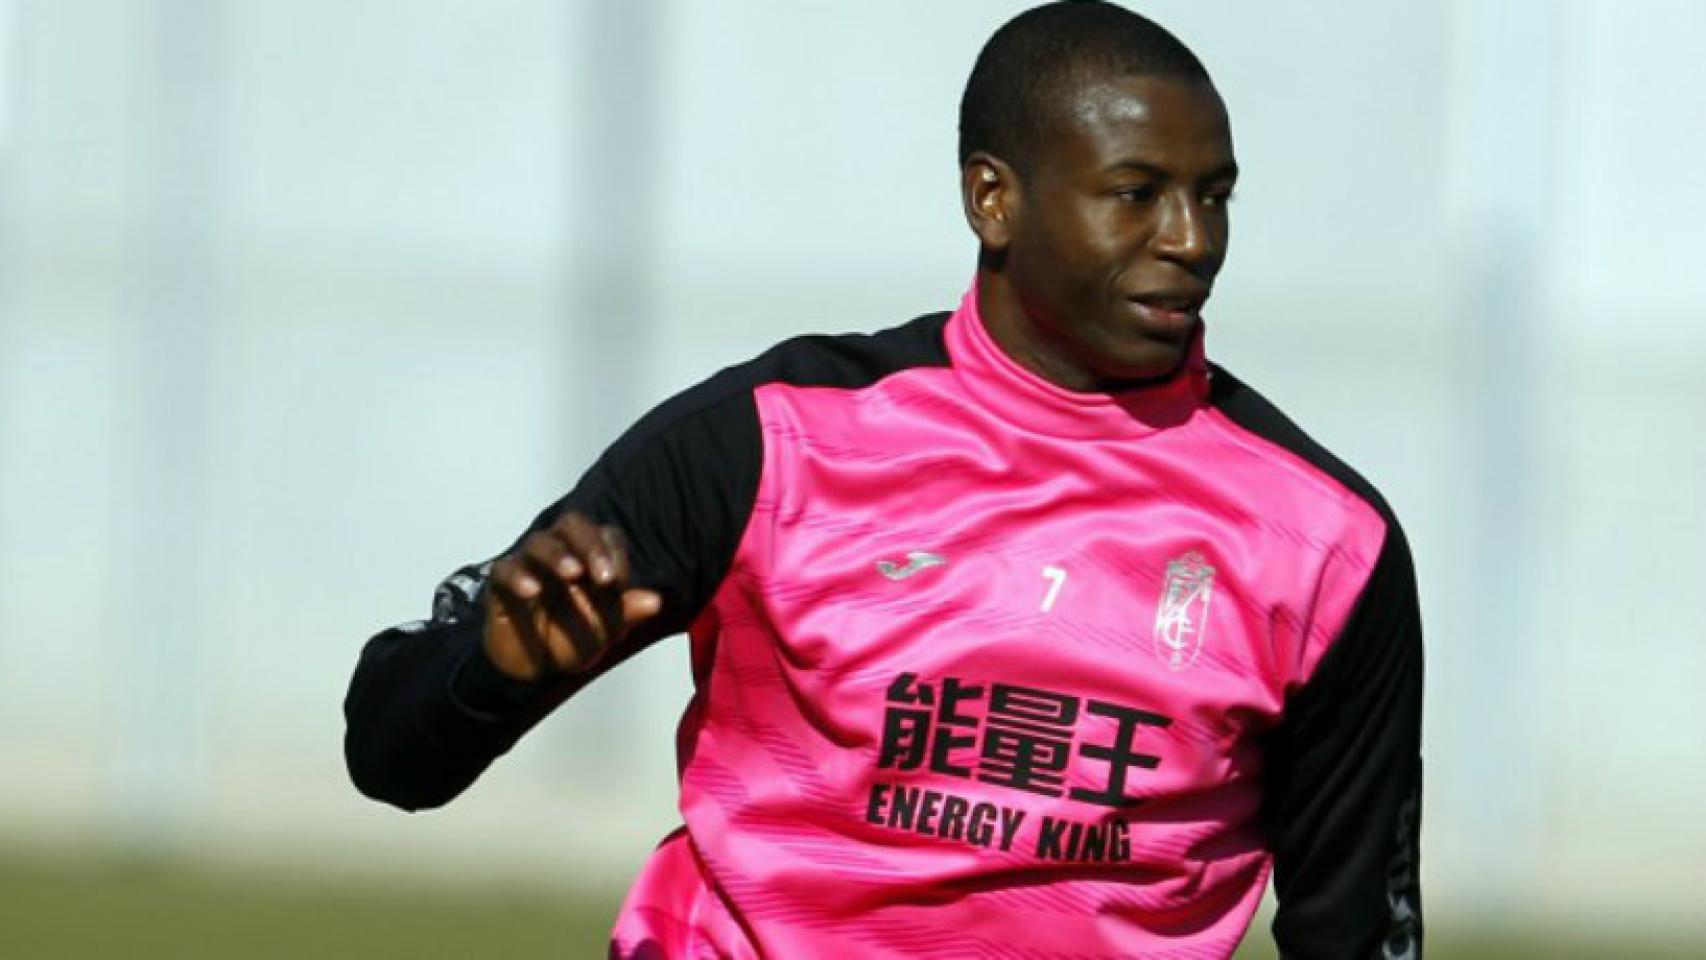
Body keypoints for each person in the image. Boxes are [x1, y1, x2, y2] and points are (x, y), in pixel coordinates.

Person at [342, 2, 1425, 957]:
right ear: (991, 199)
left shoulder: (1321, 543)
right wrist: (485, 675)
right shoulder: (768, 444)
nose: (1190, 240)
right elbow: (390, 754)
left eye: (1213, 195)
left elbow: (1353, 932)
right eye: (1135, 194)